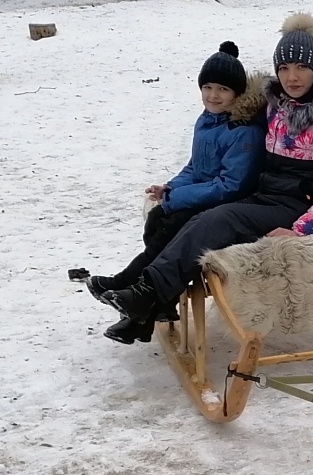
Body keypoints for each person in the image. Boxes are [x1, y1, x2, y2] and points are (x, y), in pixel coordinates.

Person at [100, 14, 313, 334]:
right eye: (283, 68)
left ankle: (148, 293)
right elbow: (232, 120)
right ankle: (145, 306)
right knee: (193, 216)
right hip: (267, 195)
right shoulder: (277, 108)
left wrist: (300, 229)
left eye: (301, 67)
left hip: (302, 206)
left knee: (219, 220)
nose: (292, 77)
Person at [88, 42, 268, 343]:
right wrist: (171, 188)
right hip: (206, 198)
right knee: (159, 219)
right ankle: (148, 311)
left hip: (229, 206)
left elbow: (230, 186)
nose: (213, 95)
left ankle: (131, 286)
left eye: (223, 89)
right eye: (207, 87)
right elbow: (195, 167)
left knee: (170, 227)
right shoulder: (207, 121)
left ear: (237, 94)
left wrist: (178, 199)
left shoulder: (244, 131)